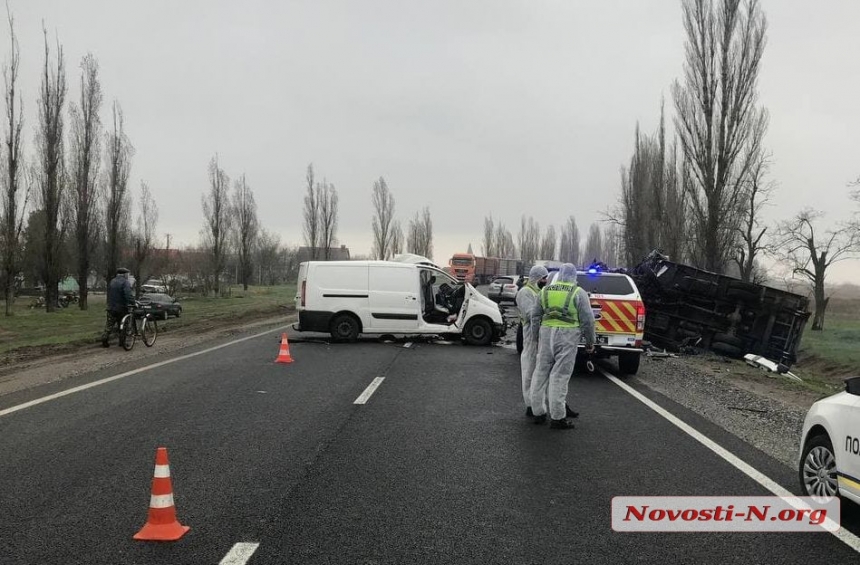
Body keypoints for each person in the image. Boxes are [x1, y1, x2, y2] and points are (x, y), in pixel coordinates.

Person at [529, 263, 596, 429]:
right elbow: (588, 320)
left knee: (540, 372)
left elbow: (535, 316)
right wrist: (590, 342)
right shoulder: (577, 292)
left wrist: (535, 337)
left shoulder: (545, 290)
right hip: (567, 336)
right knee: (560, 376)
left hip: (546, 333)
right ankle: (558, 417)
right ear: (574, 276)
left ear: (559, 274)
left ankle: (538, 412)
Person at [516, 265, 548, 418]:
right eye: (543, 278)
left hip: (542, 335)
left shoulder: (539, 291)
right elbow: (530, 314)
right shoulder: (525, 293)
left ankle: (538, 404)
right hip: (530, 336)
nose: (545, 281)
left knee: (540, 372)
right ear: (536, 278)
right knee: (529, 371)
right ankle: (530, 404)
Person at [102, 267, 135, 347]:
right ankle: (122, 342)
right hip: (121, 308)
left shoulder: (112, 281)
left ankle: (104, 339)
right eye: (127, 274)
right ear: (124, 274)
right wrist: (132, 302)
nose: (128, 275)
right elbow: (127, 295)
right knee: (123, 325)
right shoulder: (125, 282)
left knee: (109, 325)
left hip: (111, 307)